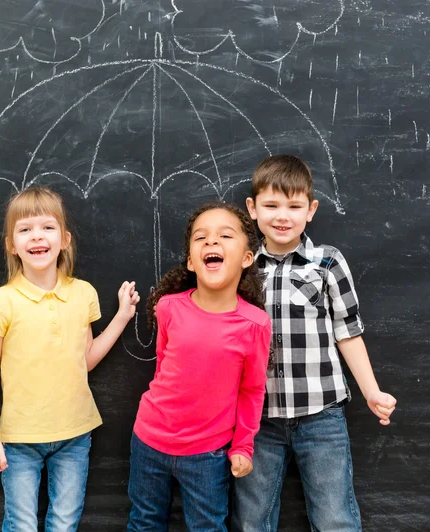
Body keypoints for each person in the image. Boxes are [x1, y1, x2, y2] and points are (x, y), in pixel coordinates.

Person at [232, 155, 397, 532]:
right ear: (253, 209)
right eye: (271, 205)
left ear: (311, 210)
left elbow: (348, 331)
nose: (282, 216)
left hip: (321, 413)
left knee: (334, 515)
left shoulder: (326, 263)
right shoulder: (242, 266)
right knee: (251, 519)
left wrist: (371, 392)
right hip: (257, 419)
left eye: (294, 206)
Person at [0, 186, 139, 532]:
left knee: (65, 524)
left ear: (64, 239)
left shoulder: (83, 294)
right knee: (21, 524)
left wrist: (123, 316)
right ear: (11, 244)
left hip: (75, 434)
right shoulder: (0, 301)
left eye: (47, 227)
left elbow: (88, 359)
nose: (37, 236)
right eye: (24, 229)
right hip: (19, 438)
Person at [126, 202, 272, 532]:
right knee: (143, 522)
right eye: (201, 237)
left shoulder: (255, 324)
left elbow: (252, 390)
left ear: (247, 258)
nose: (211, 242)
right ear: (192, 261)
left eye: (225, 235)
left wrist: (243, 446)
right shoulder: (168, 308)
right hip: (149, 441)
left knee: (207, 527)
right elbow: (163, 366)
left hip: (208, 455)